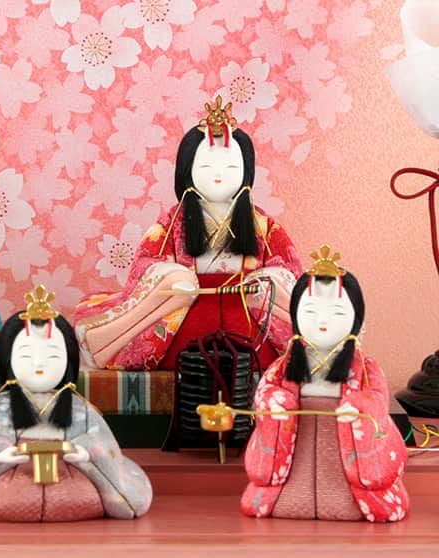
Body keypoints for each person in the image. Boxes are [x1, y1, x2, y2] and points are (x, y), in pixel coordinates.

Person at [74, 96, 301, 371]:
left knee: (276, 291)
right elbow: (145, 264)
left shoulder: (262, 225)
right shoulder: (173, 223)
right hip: (186, 313)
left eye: (231, 167)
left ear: (247, 171)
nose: (219, 175)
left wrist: (264, 283)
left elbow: (289, 270)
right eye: (206, 167)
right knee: (171, 285)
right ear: (187, 170)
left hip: (246, 315)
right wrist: (172, 278)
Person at [0, 286, 152, 521]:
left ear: (68, 360)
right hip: (11, 481)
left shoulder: (80, 410)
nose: (39, 363)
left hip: (70, 482)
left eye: (52, 356)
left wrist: (85, 453)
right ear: (8, 360)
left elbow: (104, 448)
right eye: (26, 355)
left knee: (83, 496)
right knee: (2, 497)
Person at [242, 246, 409, 522]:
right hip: (295, 451)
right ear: (295, 315)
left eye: (337, 313)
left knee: (343, 500)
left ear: (356, 319)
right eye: (310, 311)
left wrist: (359, 410)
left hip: (344, 457)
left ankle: (351, 499)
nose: (322, 321)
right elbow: (267, 393)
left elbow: (377, 401)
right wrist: (277, 406)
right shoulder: (283, 367)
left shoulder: (365, 369)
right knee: (291, 498)